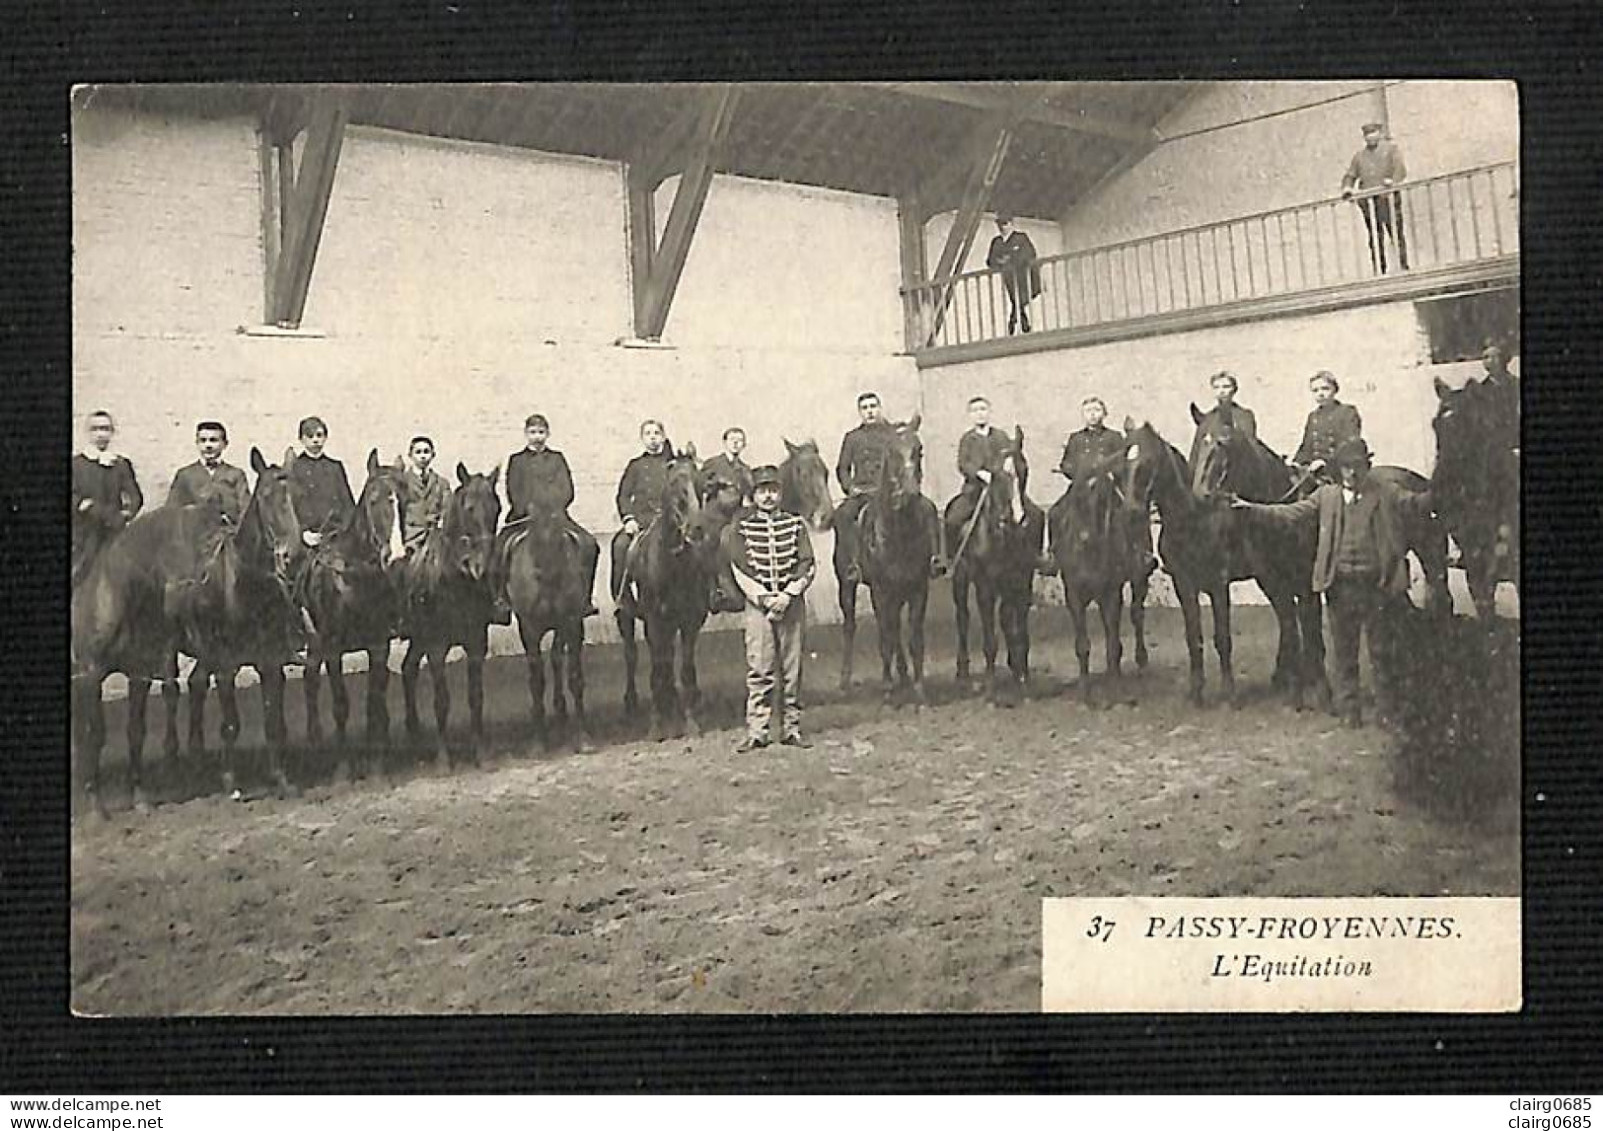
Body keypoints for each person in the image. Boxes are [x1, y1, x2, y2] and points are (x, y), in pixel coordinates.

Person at [1231, 438, 1413, 729]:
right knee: (1345, 651)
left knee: (1380, 651)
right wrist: (1251, 507)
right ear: (1339, 471)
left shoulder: (1384, 493)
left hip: (1374, 585)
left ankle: (1385, 710)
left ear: (1367, 467)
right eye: (1346, 469)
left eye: (1357, 467)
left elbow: (1412, 502)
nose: (1351, 474)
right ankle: (1350, 709)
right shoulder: (1326, 496)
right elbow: (1290, 512)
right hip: (1340, 586)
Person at [722, 464, 817, 752]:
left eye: (773, 491)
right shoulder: (742, 528)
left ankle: (792, 727)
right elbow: (740, 567)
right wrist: (764, 599)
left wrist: (788, 595)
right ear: (753, 495)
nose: (768, 497)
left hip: (791, 605)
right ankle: (758, 730)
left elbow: (807, 563)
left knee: (792, 669)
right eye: (762, 491)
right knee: (760, 668)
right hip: (758, 608)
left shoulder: (795, 524)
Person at [496, 413, 600, 619]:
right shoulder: (516, 460)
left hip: (556, 517)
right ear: (526, 434)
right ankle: (501, 598)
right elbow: (512, 489)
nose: (537, 437)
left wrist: (554, 507)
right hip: (523, 518)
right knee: (500, 547)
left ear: (548, 434)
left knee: (589, 544)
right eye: (533, 432)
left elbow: (567, 488)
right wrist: (528, 508)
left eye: (541, 432)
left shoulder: (557, 458)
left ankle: (585, 599)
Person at [834, 391, 943, 582]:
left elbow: (909, 459)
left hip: (894, 493)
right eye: (865, 408)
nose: (870, 412)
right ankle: (853, 563)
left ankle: (934, 558)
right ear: (860, 412)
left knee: (928, 508)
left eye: (873, 407)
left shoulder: (893, 434)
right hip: (864, 493)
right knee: (843, 515)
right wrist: (850, 488)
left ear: (880, 408)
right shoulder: (852, 438)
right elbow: (843, 468)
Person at [71, 409, 144, 588]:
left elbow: (135, 496)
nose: (100, 434)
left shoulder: (120, 464)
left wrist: (127, 513)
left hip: (114, 529)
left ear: (112, 432)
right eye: (95, 429)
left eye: (105, 429)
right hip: (85, 531)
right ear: (88, 432)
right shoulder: (76, 464)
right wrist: (81, 504)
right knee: (79, 573)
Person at [611, 419, 675, 601]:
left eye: (656, 433)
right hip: (642, 523)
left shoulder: (673, 464)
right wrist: (629, 519)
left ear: (663, 437)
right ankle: (622, 597)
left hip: (669, 522)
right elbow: (623, 495)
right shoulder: (636, 465)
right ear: (642, 439)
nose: (653, 438)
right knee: (620, 546)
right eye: (648, 434)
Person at [1342, 121, 1409, 274]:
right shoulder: (1359, 157)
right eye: (1367, 135)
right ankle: (1380, 269)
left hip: (1388, 198)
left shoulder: (1391, 150)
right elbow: (1350, 175)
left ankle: (1403, 266)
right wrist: (1347, 188)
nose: (1370, 137)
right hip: (1370, 203)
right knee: (1375, 237)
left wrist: (1392, 181)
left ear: (1379, 133)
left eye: (1373, 133)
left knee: (1395, 232)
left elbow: (1400, 169)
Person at [945, 395, 1016, 534]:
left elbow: (1009, 453)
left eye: (983, 409)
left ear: (989, 412)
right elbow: (963, 463)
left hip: (1000, 490)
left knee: (1025, 518)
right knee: (953, 520)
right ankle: (953, 555)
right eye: (975, 410)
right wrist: (978, 473)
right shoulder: (967, 439)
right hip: (974, 491)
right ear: (970, 415)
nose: (980, 413)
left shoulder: (1000, 436)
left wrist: (1009, 461)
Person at [166, 420, 251, 525]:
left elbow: (246, 510)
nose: (208, 445)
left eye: (213, 440)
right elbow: (171, 511)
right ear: (197, 443)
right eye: (203, 440)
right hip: (193, 536)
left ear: (225, 444)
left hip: (229, 535)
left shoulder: (236, 475)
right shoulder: (185, 475)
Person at [288, 415, 356, 546]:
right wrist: (302, 532)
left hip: (336, 536)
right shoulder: (295, 469)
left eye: (319, 435)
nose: (315, 440)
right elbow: (290, 507)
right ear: (301, 439)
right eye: (310, 436)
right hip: (306, 539)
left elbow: (348, 505)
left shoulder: (335, 467)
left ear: (325, 438)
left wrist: (344, 530)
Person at [1291, 371, 1364, 482]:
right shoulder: (1313, 416)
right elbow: (1306, 446)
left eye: (1325, 389)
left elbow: (1349, 445)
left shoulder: (1347, 412)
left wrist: (1325, 461)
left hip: (1339, 469)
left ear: (1335, 389)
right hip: (1315, 470)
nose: (1320, 393)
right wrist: (1296, 463)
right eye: (1315, 390)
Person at [986, 213, 1042, 335]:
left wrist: (1011, 258)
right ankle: (1021, 322)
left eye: (1005, 224)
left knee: (1019, 299)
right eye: (1000, 224)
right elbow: (990, 261)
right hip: (1009, 277)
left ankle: (1014, 321)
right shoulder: (997, 242)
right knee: (1016, 299)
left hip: (1024, 275)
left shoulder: (1020, 238)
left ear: (1011, 224)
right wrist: (1001, 262)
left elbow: (1029, 254)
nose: (1002, 227)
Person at [1057, 396, 1127, 484]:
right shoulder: (1076, 438)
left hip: (1107, 485)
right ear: (1083, 415)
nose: (1092, 414)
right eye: (1088, 411)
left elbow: (1121, 462)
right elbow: (1067, 463)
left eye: (1097, 410)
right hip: (1081, 484)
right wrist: (1077, 474)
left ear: (1104, 414)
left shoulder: (1114, 436)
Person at [699, 426, 755, 508]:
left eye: (739, 440)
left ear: (744, 445)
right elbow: (701, 489)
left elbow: (749, 494)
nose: (735, 443)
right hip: (715, 513)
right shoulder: (712, 464)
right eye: (732, 439)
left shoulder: (745, 470)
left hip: (736, 514)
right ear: (725, 442)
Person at [1207, 371, 1258, 441]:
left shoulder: (1245, 415)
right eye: (1216, 387)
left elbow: (1249, 442)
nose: (1221, 391)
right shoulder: (1209, 417)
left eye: (1226, 387)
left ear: (1234, 389)